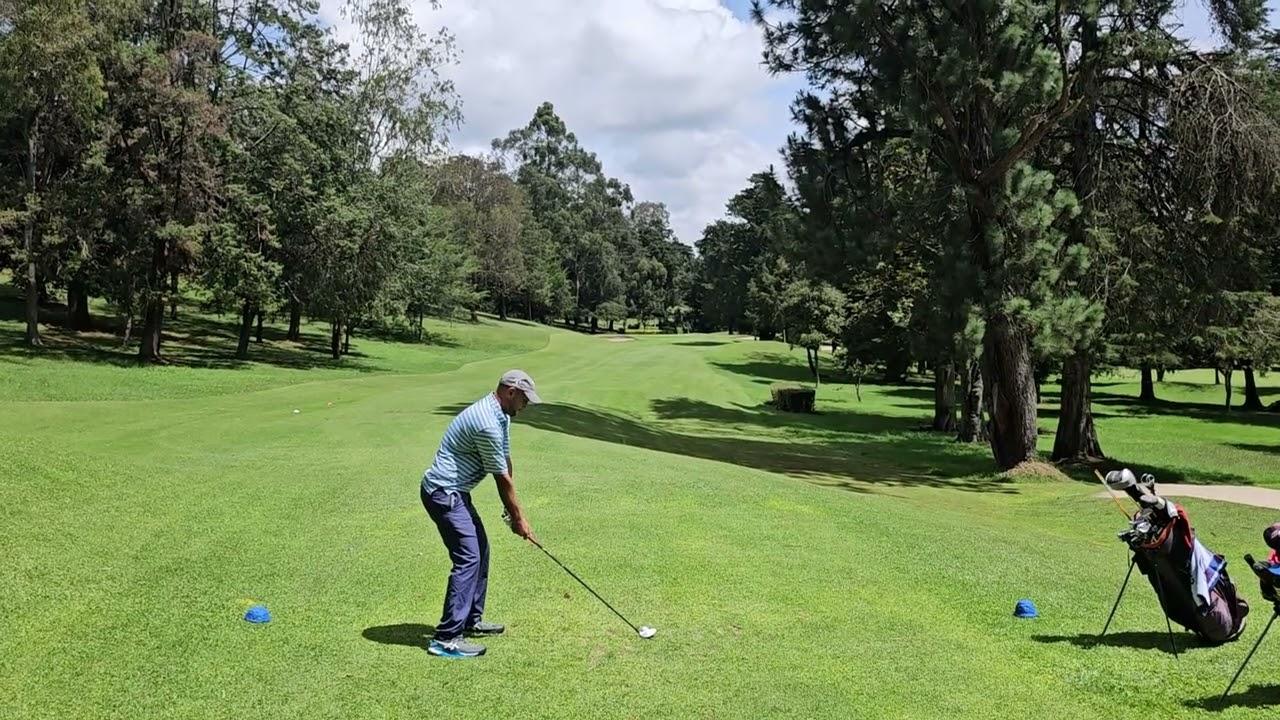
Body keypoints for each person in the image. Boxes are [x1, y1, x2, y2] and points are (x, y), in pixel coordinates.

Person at [420, 369, 541, 658]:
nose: (526, 405)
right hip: (443, 493)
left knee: (481, 550)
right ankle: (446, 638)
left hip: (455, 493)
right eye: (524, 399)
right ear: (511, 392)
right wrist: (520, 519)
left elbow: (506, 461)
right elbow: (501, 479)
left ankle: (470, 620)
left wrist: (511, 514)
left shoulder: (501, 415)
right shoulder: (486, 421)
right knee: (468, 557)